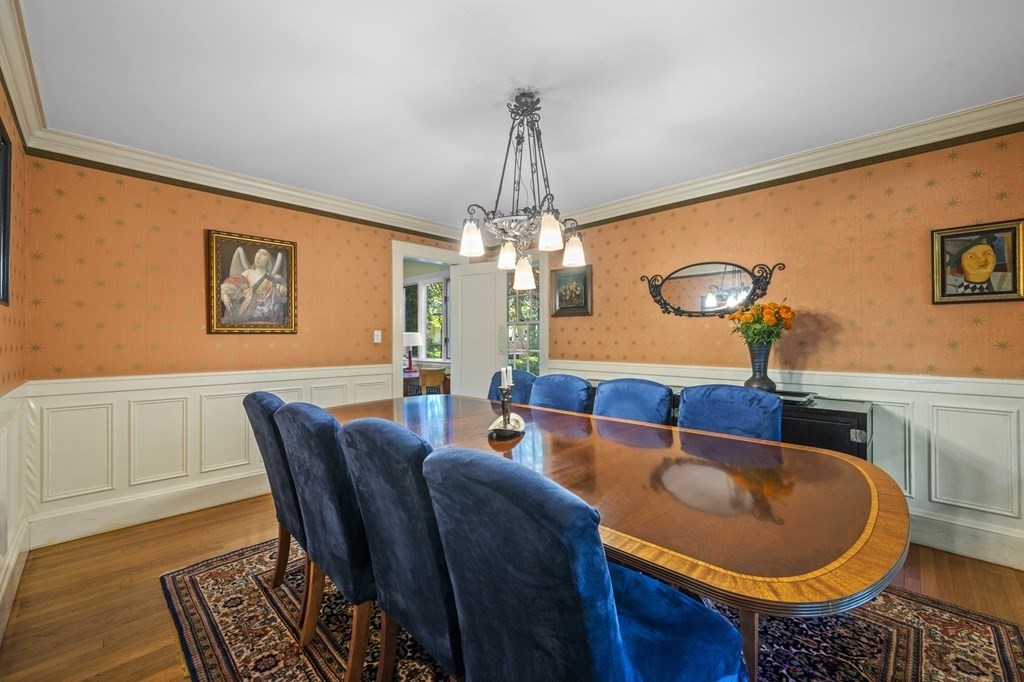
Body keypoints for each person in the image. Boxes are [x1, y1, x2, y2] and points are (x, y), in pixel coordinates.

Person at [220, 248, 289, 324]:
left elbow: (284, 294)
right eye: (258, 252)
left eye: (264, 254)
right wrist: (226, 295)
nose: (258, 256)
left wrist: (281, 284)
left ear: (269, 260)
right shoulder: (248, 273)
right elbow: (234, 283)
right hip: (247, 310)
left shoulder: (272, 278)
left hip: (266, 313)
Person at [944, 234, 1012, 295]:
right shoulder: (949, 288)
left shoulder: (1008, 282)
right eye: (971, 256)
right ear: (960, 262)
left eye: (988, 254)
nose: (983, 259)